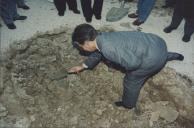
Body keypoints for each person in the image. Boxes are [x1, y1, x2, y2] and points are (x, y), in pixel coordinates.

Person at [69, 24, 184, 109]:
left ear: (87, 43)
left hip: (152, 59)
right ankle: (174, 56)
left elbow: (134, 63)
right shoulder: (101, 36)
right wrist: (82, 66)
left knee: (131, 80)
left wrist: (121, 67)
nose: (82, 49)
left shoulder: (108, 49)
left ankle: (128, 104)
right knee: (150, 52)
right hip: (158, 43)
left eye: (81, 46)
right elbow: (98, 53)